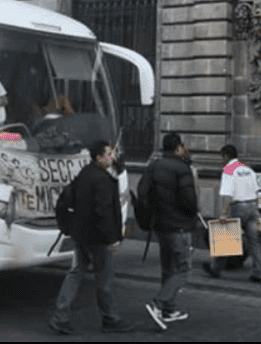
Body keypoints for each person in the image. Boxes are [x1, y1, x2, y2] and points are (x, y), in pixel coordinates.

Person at [48, 140, 134, 335]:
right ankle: (111, 318)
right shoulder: (102, 180)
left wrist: (70, 226)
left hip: (81, 234)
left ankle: (59, 316)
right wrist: (113, 237)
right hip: (98, 237)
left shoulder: (85, 173)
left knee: (76, 272)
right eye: (108, 153)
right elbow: (103, 212)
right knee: (104, 277)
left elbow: (67, 198)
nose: (112, 156)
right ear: (98, 157)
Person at [144, 133, 198, 331]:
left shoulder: (154, 167)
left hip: (160, 225)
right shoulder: (182, 169)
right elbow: (190, 201)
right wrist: (191, 216)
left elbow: (145, 194)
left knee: (168, 268)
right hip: (179, 226)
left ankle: (170, 309)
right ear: (178, 148)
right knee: (184, 269)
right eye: (182, 145)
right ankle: (159, 302)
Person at [202, 144, 261, 284]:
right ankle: (258, 273)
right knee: (254, 242)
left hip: (238, 207)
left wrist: (224, 214)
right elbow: (256, 191)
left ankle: (216, 269)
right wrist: (257, 211)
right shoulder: (247, 169)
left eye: (222, 157)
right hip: (252, 206)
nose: (221, 161)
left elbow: (226, 195)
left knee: (225, 239)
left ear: (225, 156)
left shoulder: (229, 170)